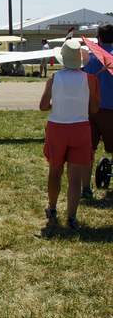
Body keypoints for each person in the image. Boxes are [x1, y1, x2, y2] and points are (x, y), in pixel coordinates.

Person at [39, 40, 99, 229]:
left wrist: (53, 105)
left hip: (58, 127)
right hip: (80, 128)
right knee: (75, 177)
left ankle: (53, 207)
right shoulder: (90, 79)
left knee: (55, 172)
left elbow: (43, 106)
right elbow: (95, 108)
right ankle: (72, 217)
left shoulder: (54, 77)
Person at [81, 23, 113, 199]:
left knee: (88, 150)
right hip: (110, 109)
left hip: (89, 109)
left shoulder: (88, 58)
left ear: (98, 38)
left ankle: (86, 188)